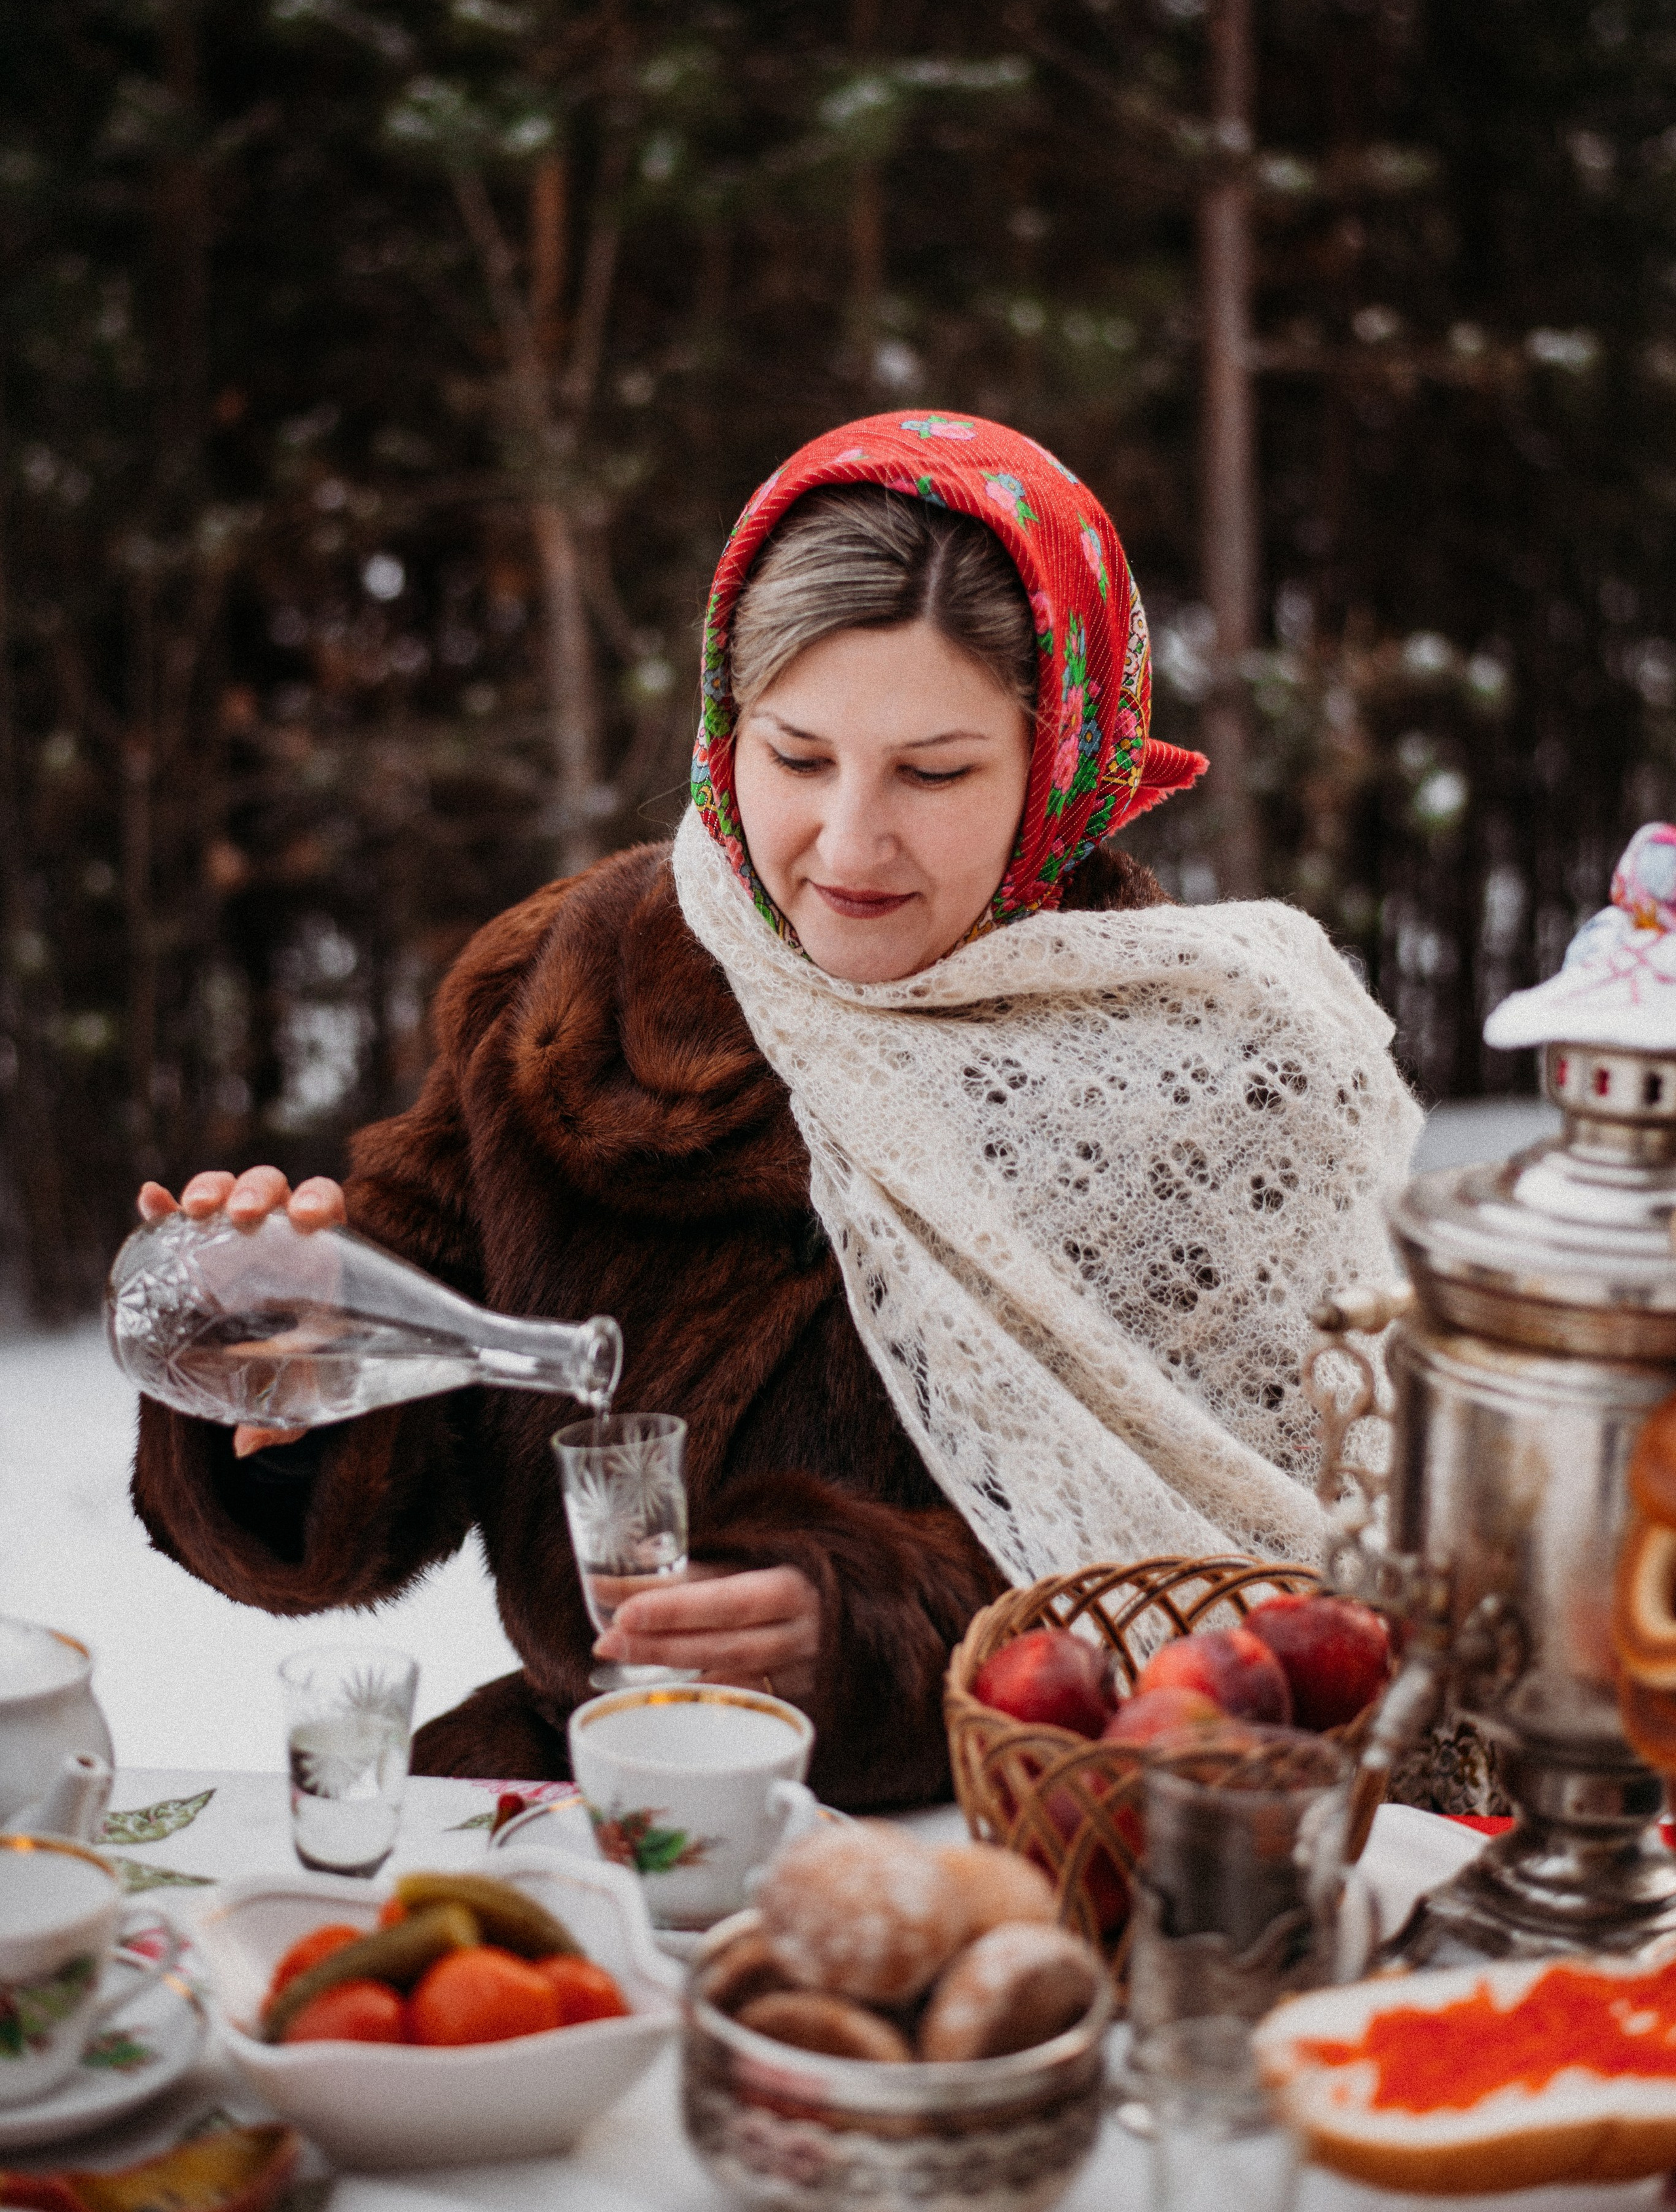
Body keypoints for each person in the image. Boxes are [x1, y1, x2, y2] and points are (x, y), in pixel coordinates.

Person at [131, 412, 1419, 1807]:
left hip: (1023, 1834)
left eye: (932, 772)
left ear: (1060, 767)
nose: (849, 842)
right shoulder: (569, 985)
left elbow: (1285, 1593)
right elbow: (395, 1459)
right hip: (589, 1805)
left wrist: (885, 1635)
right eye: (797, 757)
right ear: (722, 729)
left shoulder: (1199, 1073)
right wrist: (277, 1391)